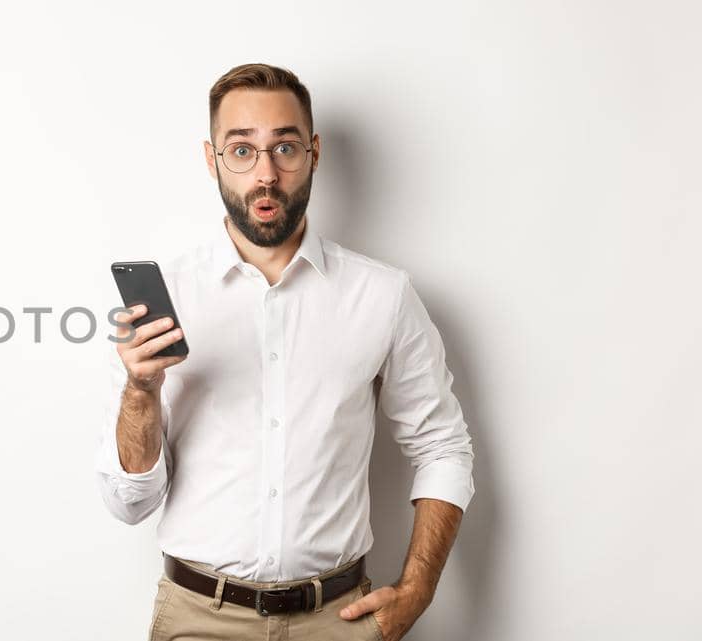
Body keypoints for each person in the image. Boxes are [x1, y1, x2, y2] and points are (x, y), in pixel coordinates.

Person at [96, 63, 475, 641]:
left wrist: (418, 590)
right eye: (242, 150)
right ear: (212, 159)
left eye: (286, 148)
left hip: (339, 621)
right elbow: (129, 505)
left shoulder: (383, 295)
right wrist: (140, 391)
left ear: (314, 153)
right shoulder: (169, 296)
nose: (266, 174)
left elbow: (442, 446)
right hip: (200, 621)